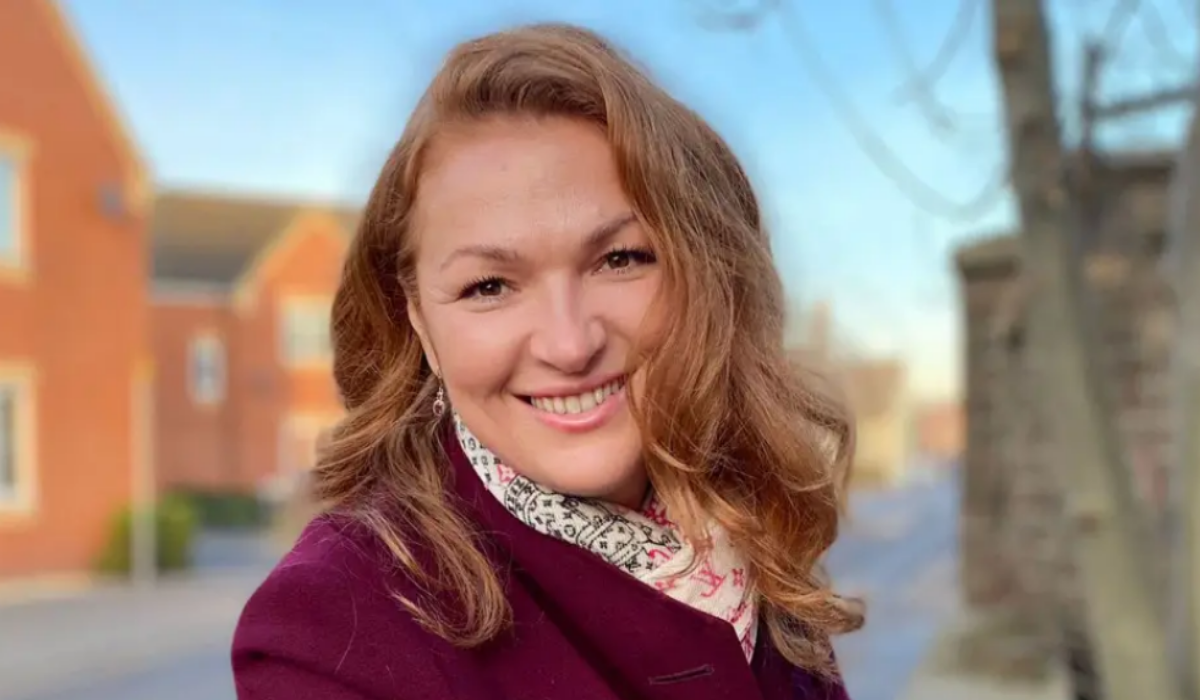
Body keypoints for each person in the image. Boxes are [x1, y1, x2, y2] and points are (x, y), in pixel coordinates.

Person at [232, 22, 862, 700]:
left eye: (620, 259)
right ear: (419, 322)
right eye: (489, 287)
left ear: (704, 275)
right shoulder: (332, 627)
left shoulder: (746, 532)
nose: (569, 345)